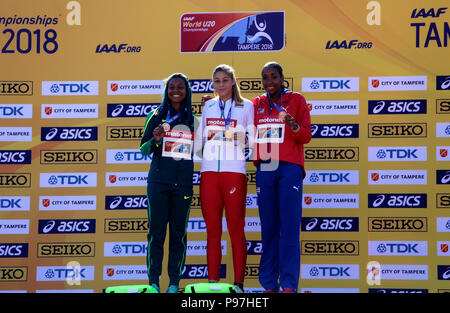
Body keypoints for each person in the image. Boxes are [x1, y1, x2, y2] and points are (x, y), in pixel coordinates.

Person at [252, 61, 311, 293]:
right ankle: (269, 284)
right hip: (266, 164)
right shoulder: (257, 103)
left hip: (289, 167)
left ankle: (288, 285)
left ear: (282, 78)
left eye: (274, 76)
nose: (270, 82)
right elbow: (240, 130)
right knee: (268, 228)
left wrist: (294, 126)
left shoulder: (296, 100)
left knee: (289, 228)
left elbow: (306, 136)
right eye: (265, 78)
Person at [197, 64, 254, 293]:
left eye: (224, 80)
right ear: (213, 84)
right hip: (209, 171)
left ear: (232, 81)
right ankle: (213, 284)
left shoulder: (246, 106)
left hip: (234, 172)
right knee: (212, 230)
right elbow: (201, 138)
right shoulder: (208, 105)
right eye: (216, 81)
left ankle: (238, 284)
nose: (221, 85)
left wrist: (232, 134)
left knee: (236, 229)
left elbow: (253, 139)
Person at [140, 73, 197, 293]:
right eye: (171, 87)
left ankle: (174, 284)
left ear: (186, 91)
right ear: (166, 91)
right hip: (158, 182)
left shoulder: (193, 118)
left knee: (178, 234)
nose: (175, 90)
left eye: (180, 87)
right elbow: (143, 149)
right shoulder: (155, 115)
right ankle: (153, 282)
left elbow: (201, 148)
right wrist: (155, 140)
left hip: (182, 185)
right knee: (156, 233)